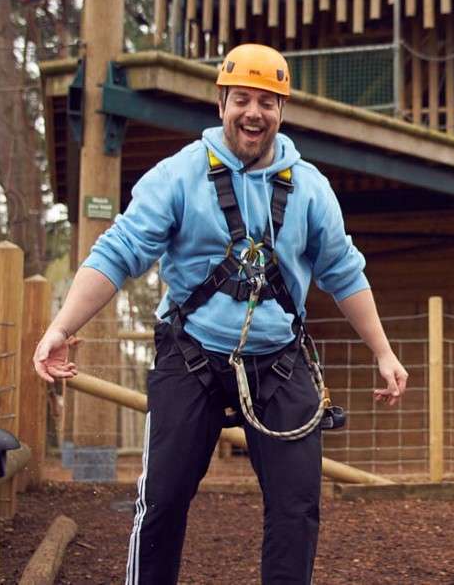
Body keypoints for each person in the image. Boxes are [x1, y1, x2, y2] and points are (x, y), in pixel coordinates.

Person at [31, 43, 409, 584]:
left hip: (278, 362)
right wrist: (61, 327)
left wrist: (384, 352)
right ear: (221, 103)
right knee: (161, 500)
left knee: (298, 506)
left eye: (267, 102)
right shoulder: (179, 175)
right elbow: (117, 252)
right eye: (242, 100)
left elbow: (344, 274)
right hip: (192, 355)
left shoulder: (310, 189)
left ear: (282, 110)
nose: (254, 113)